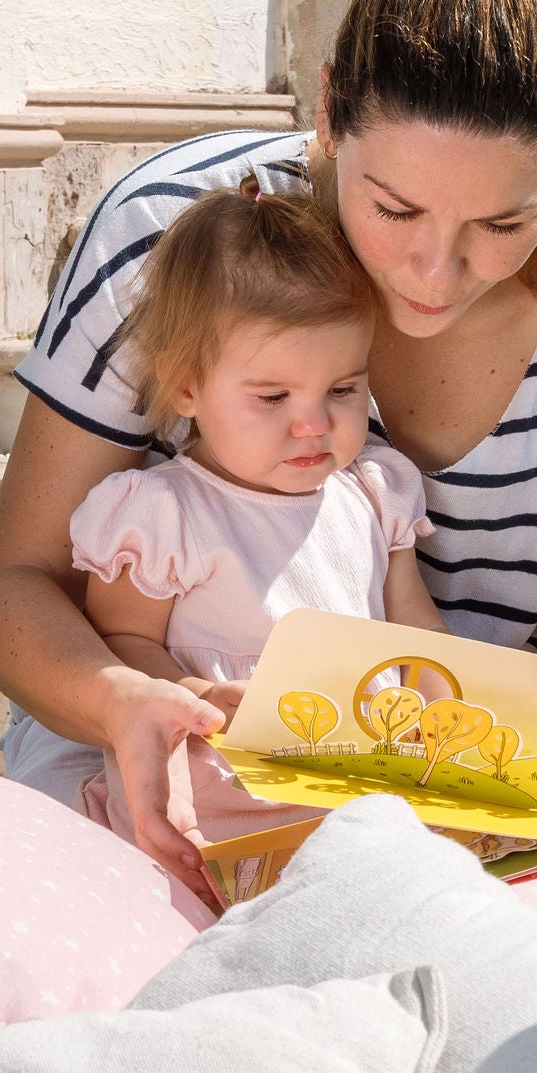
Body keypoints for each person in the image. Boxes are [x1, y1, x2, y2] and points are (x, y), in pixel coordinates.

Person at [0, 0, 537, 888]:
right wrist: (125, 701)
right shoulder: (174, 235)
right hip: (150, 777)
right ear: (327, 112)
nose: (434, 273)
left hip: (449, 833)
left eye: (503, 224)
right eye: (394, 209)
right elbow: (11, 595)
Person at [66, 183, 447, 869]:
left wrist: (444, 708)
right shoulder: (164, 515)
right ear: (186, 387)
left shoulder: (372, 493)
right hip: (221, 806)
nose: (314, 423)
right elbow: (121, 642)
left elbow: (415, 632)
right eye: (273, 396)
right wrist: (197, 696)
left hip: (358, 793)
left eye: (343, 389)